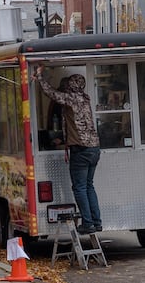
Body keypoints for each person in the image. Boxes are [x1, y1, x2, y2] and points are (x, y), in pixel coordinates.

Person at [36, 72, 103, 234]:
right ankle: (96, 221)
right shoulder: (85, 99)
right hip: (94, 148)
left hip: (81, 150)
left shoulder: (71, 99)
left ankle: (87, 223)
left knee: (79, 188)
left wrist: (39, 78)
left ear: (70, 86)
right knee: (88, 186)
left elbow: (51, 93)